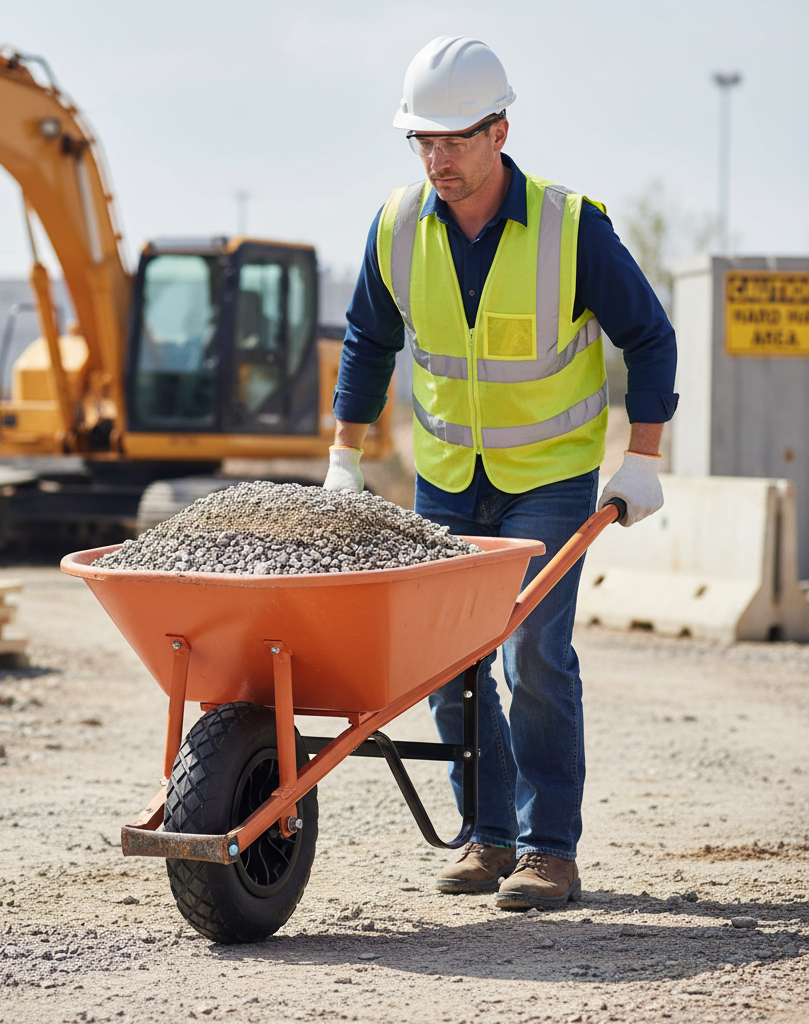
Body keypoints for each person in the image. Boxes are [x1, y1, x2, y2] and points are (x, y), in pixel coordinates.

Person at [322, 36, 678, 910]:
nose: (437, 159)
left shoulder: (570, 226)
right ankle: (487, 838)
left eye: (454, 139)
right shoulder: (397, 227)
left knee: (534, 653)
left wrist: (642, 459)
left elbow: (651, 337)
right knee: (447, 659)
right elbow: (370, 340)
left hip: (550, 480)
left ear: (500, 131)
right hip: (445, 478)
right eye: (423, 141)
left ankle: (548, 849)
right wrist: (343, 458)